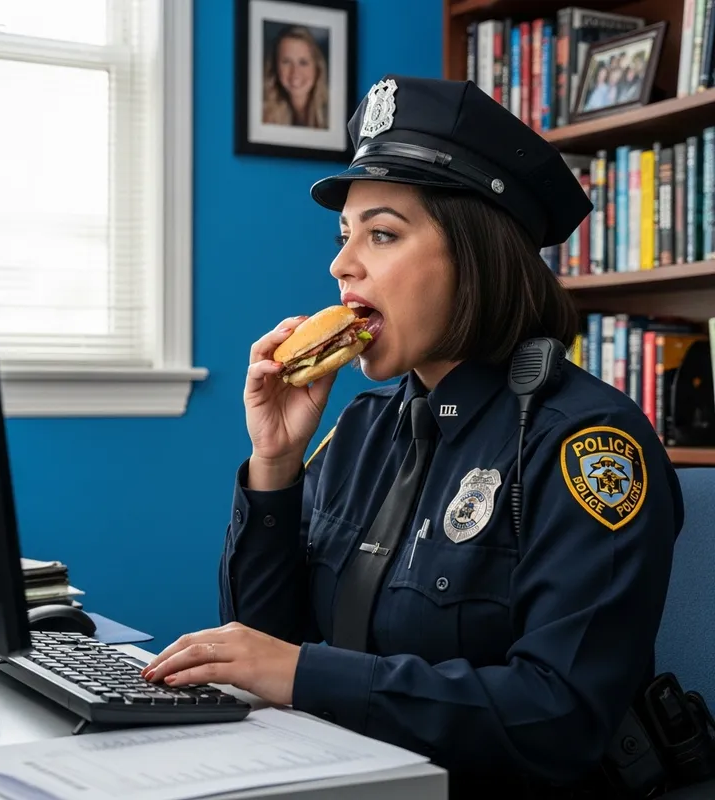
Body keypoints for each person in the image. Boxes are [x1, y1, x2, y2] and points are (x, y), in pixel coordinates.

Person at [142, 75, 684, 798]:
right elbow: (262, 644)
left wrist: (304, 673)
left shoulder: (588, 444)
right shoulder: (364, 426)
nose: (342, 265)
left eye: (383, 234)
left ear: (476, 255)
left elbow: (559, 717)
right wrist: (275, 462)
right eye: (344, 238)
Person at [262, 24, 329, 129]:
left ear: (317, 67)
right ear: (275, 66)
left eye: (303, 62)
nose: (295, 73)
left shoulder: (335, 117)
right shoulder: (263, 115)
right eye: (286, 62)